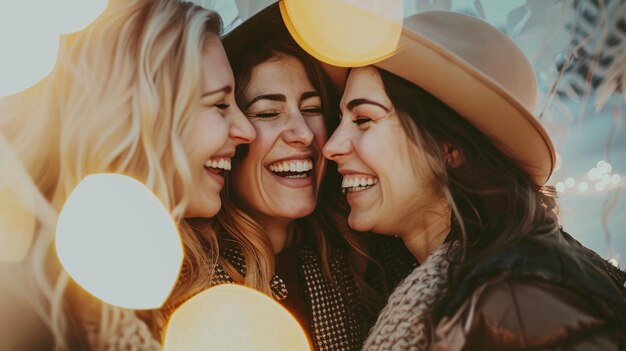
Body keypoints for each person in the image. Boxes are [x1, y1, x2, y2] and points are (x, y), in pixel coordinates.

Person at [322, 10, 626, 350]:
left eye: (363, 119)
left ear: (450, 147)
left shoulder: (518, 303)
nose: (331, 146)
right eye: (340, 120)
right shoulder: (488, 285)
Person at [142, 4, 415, 350]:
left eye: (312, 109)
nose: (301, 133)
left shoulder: (367, 255)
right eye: (268, 113)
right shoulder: (176, 282)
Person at [0, 0, 255, 349]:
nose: (247, 131)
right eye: (220, 104)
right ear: (144, 111)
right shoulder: (30, 301)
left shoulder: (142, 283)